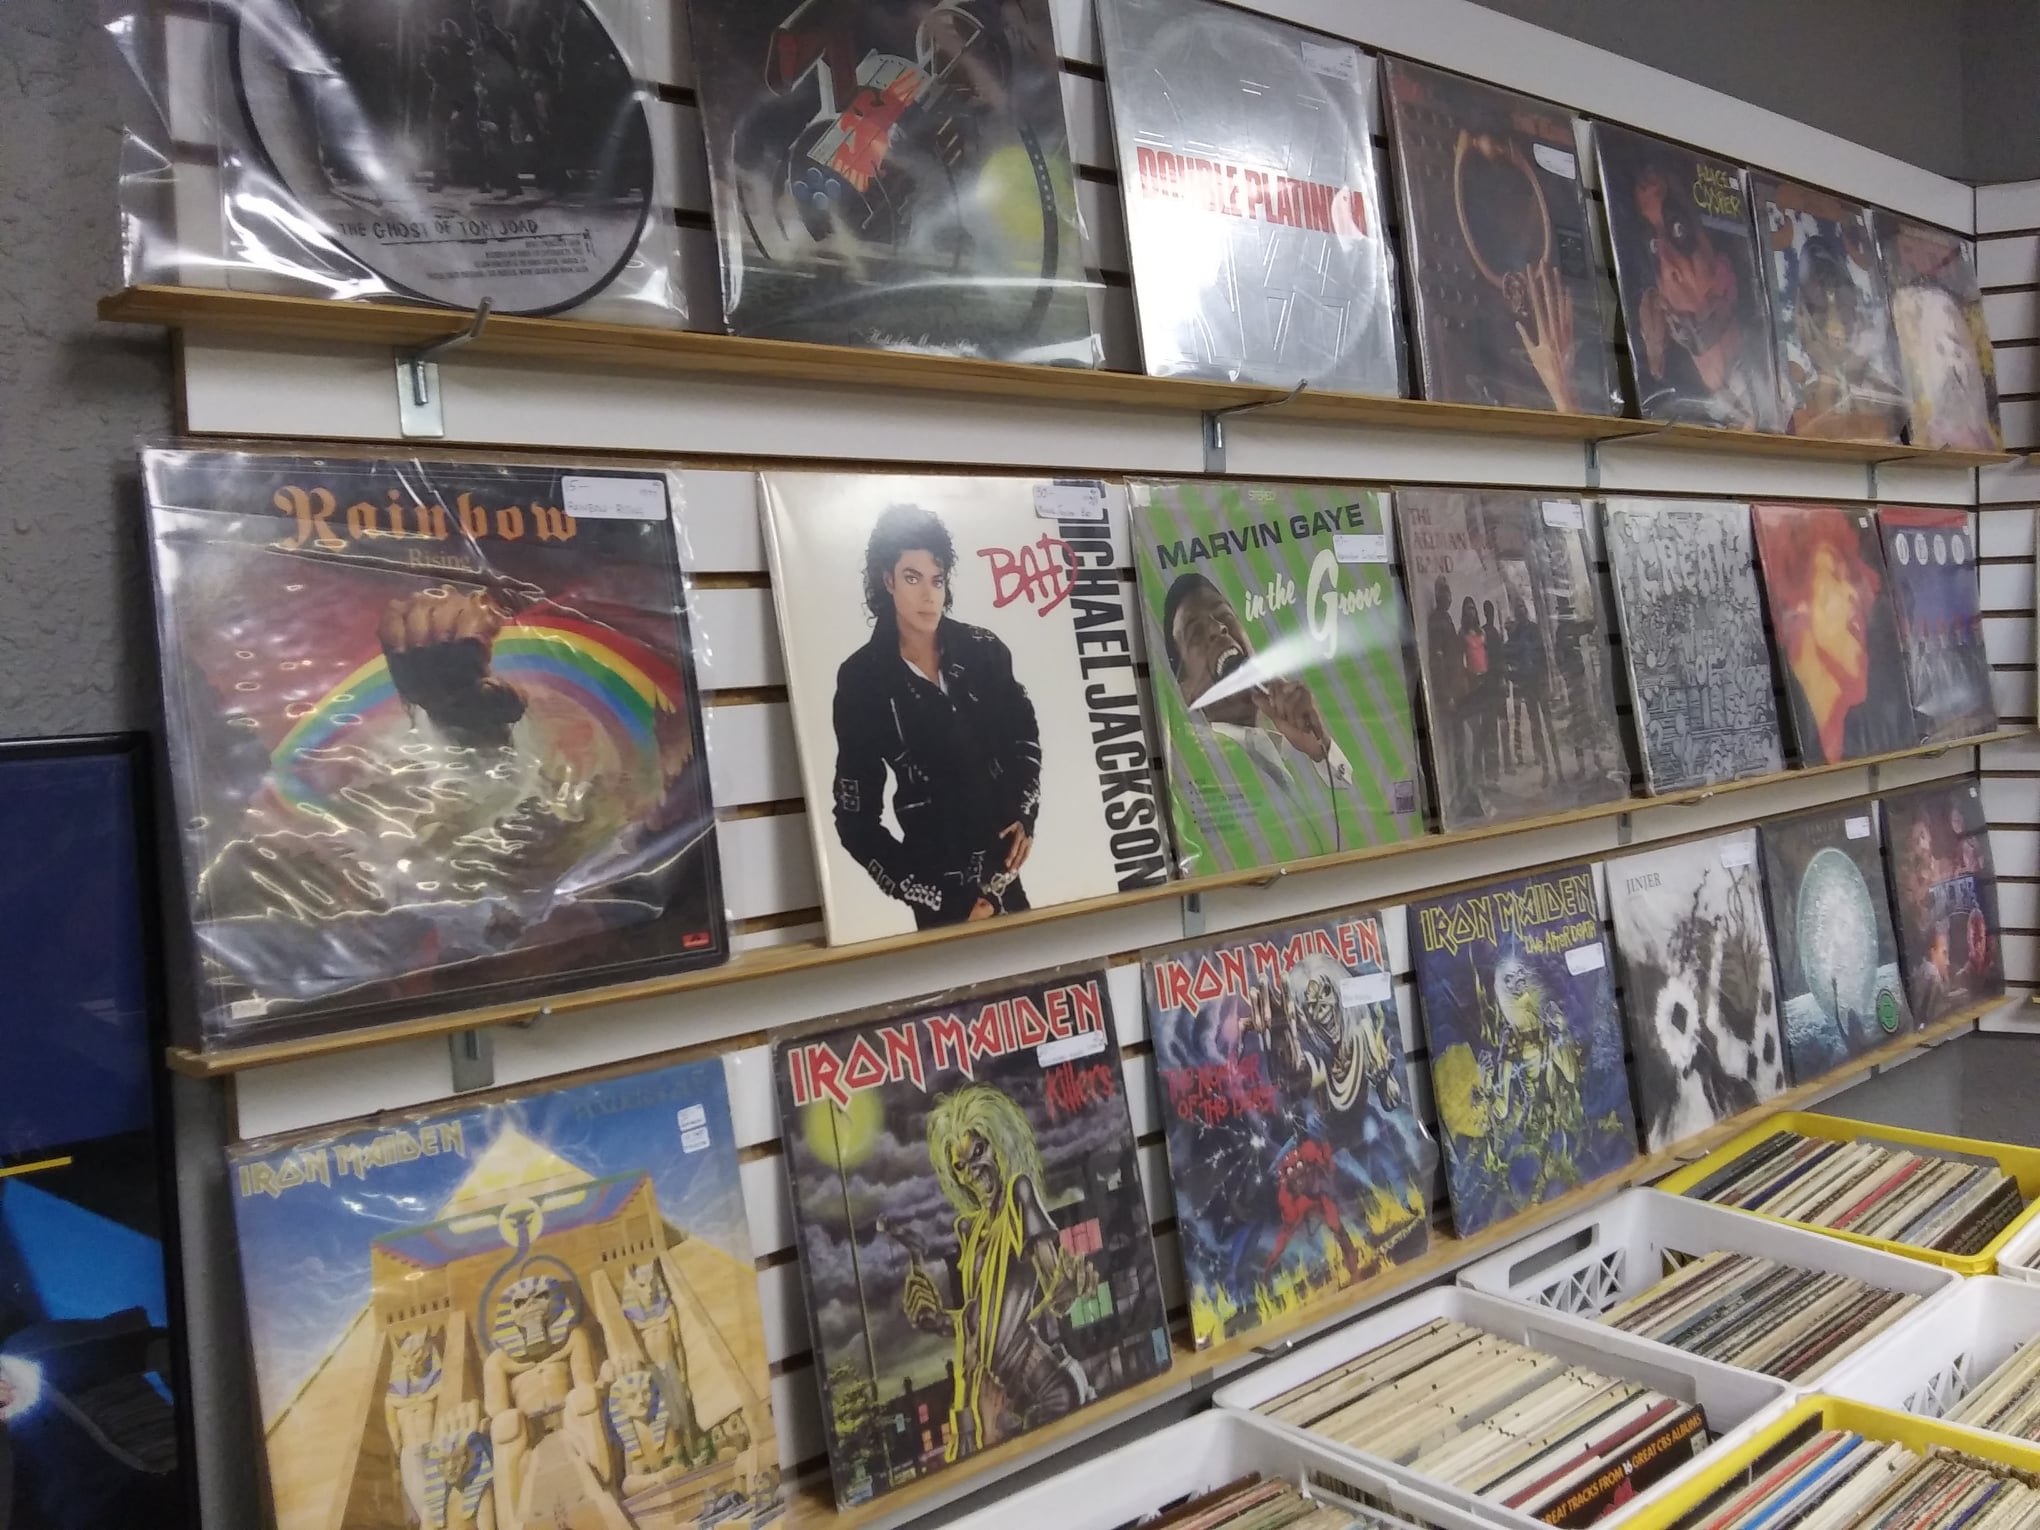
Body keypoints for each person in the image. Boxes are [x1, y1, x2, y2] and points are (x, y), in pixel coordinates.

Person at [831, 505, 1041, 928]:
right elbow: (855, 820)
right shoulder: (862, 680)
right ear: (888, 580)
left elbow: (1024, 739)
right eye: (912, 578)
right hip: (936, 889)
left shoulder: (984, 651)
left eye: (937, 579)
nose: (928, 595)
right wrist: (939, 897)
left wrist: (1024, 814)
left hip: (1005, 879)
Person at [1160, 573, 1360, 864]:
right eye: (1196, 633)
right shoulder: (1197, 771)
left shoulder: (1296, 748)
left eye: (1224, 616)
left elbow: (1368, 819)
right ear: (1187, 690)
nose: (1218, 628)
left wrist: (1319, 749)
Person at [1622, 158, 1776, 429]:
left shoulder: (1773, 383)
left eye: (1679, 231)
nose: (1668, 268)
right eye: (1654, 246)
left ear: (1725, 270)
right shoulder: (1665, 400)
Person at [1764, 512, 1899, 765]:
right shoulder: (1784, 719)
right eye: (1836, 575)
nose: (1854, 594)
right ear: (1797, 601)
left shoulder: (1856, 731)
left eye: (1852, 579)